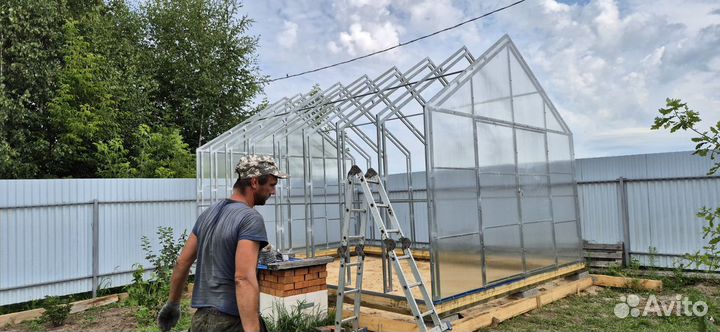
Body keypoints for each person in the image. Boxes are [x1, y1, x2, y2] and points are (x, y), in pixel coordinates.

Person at [157, 155, 288, 332]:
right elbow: (243, 278)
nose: (274, 192)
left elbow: (182, 262)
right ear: (255, 182)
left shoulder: (208, 214)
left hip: (200, 322)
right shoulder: (250, 218)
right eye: (272, 185)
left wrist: (172, 304)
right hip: (231, 323)